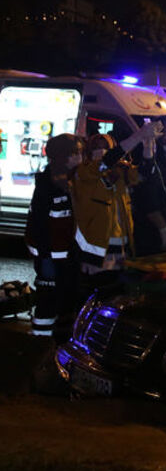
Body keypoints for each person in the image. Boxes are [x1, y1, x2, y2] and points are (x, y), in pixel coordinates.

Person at [73, 124, 162, 297]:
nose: (101, 151)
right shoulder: (84, 173)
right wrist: (137, 136)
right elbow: (104, 164)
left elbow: (145, 173)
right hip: (95, 253)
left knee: (115, 297)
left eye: (105, 147)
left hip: (120, 250)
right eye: (96, 147)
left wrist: (148, 145)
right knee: (92, 296)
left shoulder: (121, 171)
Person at [24, 133, 83, 337]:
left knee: (66, 300)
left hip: (66, 254)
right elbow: (39, 225)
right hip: (50, 255)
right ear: (64, 156)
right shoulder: (47, 186)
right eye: (76, 153)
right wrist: (45, 258)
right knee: (48, 300)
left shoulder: (71, 181)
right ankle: (40, 341)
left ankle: (59, 341)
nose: (80, 157)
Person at [131, 115, 166, 256]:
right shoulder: (148, 158)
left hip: (164, 224)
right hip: (149, 230)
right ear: (158, 134)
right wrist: (163, 228)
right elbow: (147, 195)